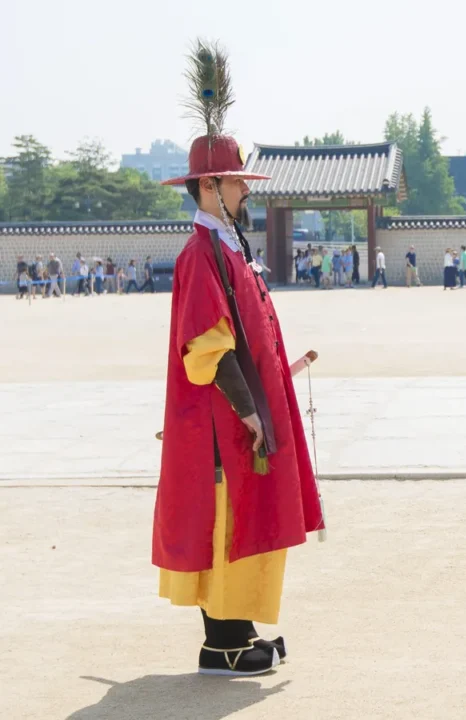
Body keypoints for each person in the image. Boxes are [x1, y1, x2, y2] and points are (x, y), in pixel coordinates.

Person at [153, 42, 322, 677]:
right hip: (226, 425)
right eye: (235, 182)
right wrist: (249, 411)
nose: (244, 192)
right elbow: (208, 348)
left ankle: (237, 631)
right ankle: (224, 643)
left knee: (248, 517)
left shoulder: (226, 247)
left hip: (244, 413)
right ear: (209, 186)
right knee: (229, 519)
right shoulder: (202, 253)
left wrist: (278, 376)